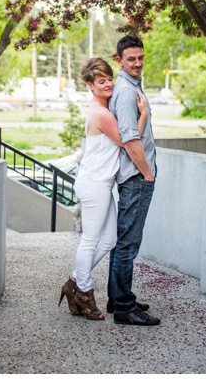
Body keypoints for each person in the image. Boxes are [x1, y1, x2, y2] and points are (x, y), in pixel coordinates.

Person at [59, 58, 146, 320]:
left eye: (109, 79)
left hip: (101, 184)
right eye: (101, 81)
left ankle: (74, 281)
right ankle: (84, 295)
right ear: (90, 85)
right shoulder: (102, 114)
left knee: (109, 240)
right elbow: (129, 141)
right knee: (90, 240)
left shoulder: (101, 109)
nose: (108, 84)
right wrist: (143, 115)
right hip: (94, 184)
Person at [107, 34, 161, 326]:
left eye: (140, 57)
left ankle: (117, 299)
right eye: (131, 59)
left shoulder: (130, 86)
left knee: (122, 241)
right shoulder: (127, 92)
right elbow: (130, 139)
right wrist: (147, 173)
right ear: (119, 60)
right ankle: (125, 308)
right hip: (136, 177)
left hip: (135, 176)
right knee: (128, 243)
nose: (138, 63)